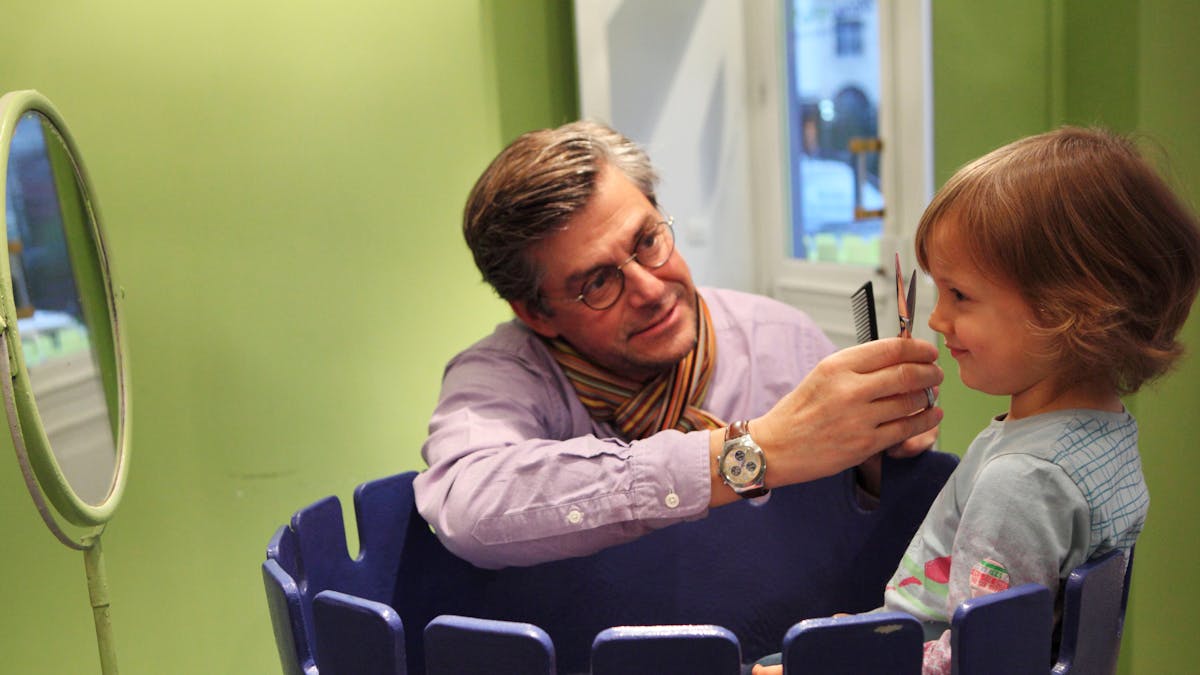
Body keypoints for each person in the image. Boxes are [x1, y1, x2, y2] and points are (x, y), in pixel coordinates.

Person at [752, 126, 1200, 673]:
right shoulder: (1107, 431)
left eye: (960, 295)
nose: (938, 320)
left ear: (1070, 310)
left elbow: (974, 660)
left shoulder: (1022, 481)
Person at [415, 120, 944, 570]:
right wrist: (753, 453)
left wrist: (876, 463)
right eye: (598, 281)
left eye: (647, 240)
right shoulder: (502, 378)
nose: (650, 289)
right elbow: (469, 508)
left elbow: (865, 536)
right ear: (536, 313)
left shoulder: (783, 340)